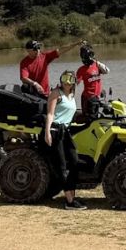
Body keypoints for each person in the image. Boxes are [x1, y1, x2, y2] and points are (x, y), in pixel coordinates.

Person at [43, 70, 86, 210]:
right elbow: (50, 114)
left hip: (66, 131)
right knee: (62, 166)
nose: (67, 82)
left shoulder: (72, 95)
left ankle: (72, 195)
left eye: (70, 79)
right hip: (56, 130)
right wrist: (47, 132)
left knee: (74, 161)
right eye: (64, 78)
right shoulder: (56, 93)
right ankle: (69, 201)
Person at [19, 38, 83, 97]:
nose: (38, 50)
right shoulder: (24, 62)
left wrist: (75, 44)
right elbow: (24, 78)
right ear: (29, 51)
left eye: (39, 47)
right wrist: (35, 84)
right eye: (36, 48)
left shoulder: (44, 57)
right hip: (34, 94)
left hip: (46, 93)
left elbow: (60, 50)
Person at [76, 43, 110, 113]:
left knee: (95, 116)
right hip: (88, 98)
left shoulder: (97, 65)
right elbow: (75, 83)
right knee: (89, 118)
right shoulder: (81, 69)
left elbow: (107, 71)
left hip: (96, 97)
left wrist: (96, 61)